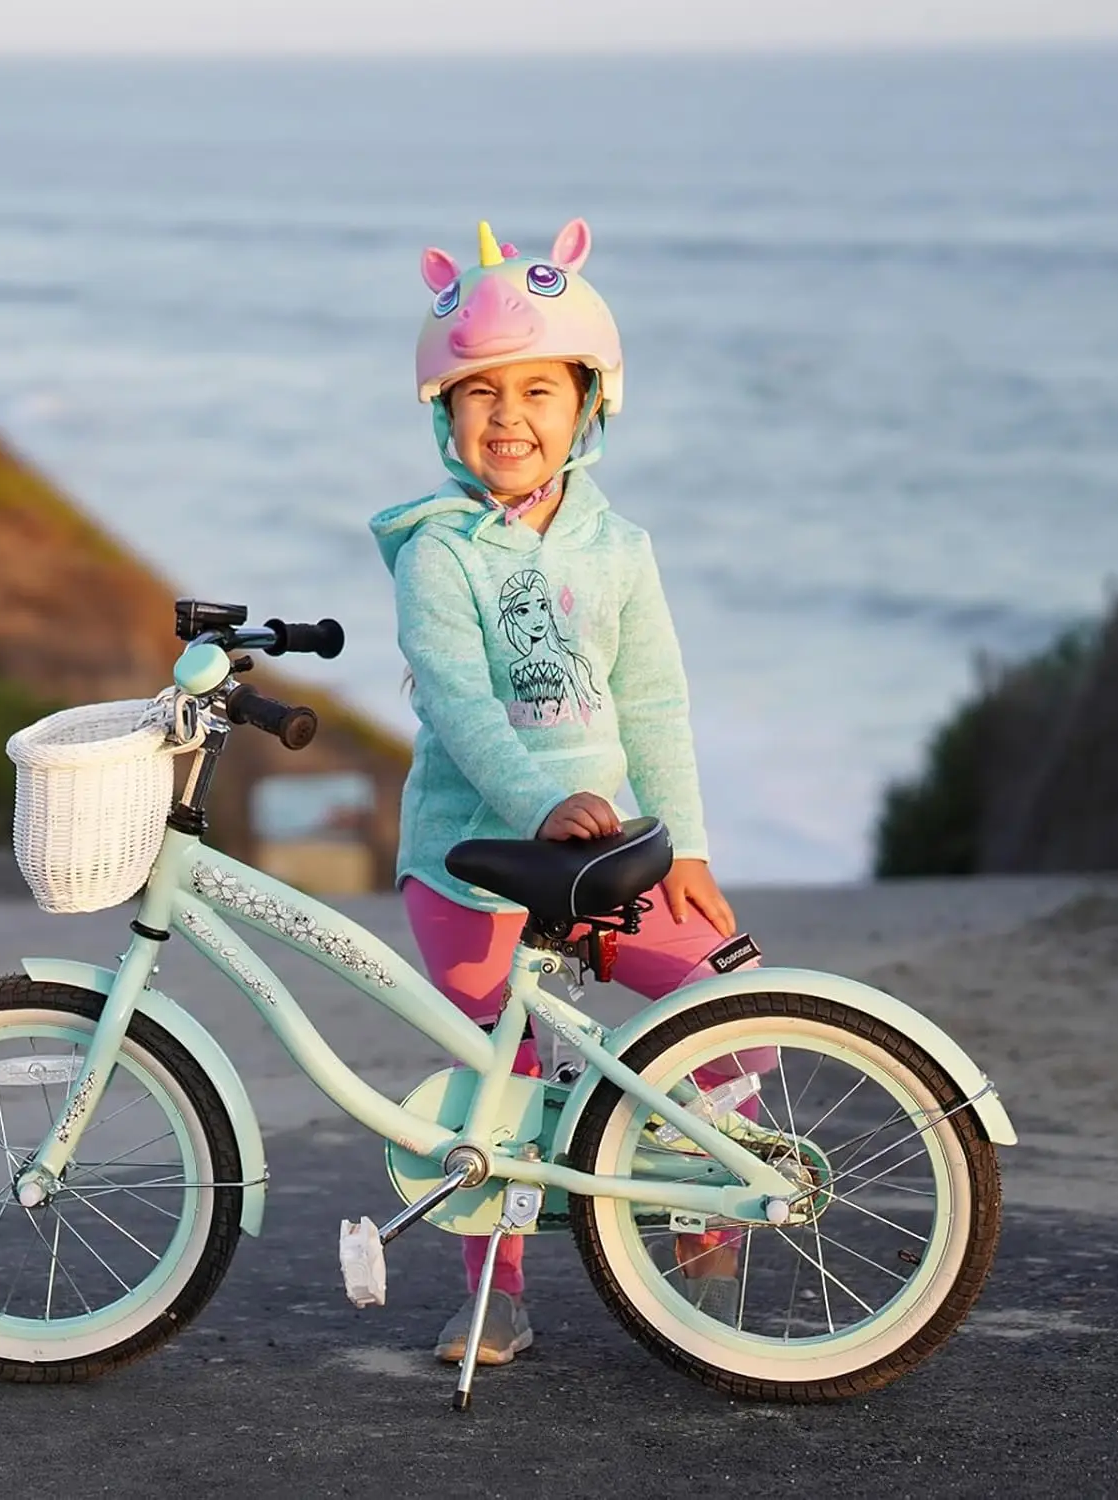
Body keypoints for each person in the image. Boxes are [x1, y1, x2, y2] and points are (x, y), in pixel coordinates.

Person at [370, 219, 769, 1367]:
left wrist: (685, 846)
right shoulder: (437, 552)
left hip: (614, 859)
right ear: (444, 416)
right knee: (502, 1079)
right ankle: (496, 1293)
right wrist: (542, 800)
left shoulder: (620, 548)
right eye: (480, 395)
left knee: (722, 1006)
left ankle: (693, 1199)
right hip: (469, 857)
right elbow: (458, 705)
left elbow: (654, 708)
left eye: (538, 390)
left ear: (588, 403)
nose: (509, 418)